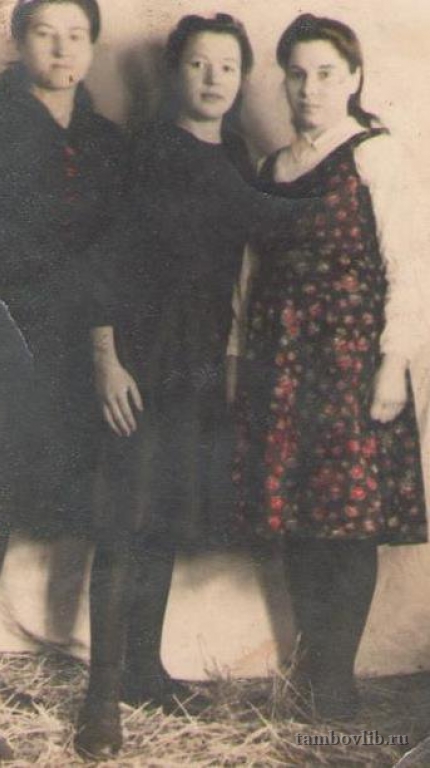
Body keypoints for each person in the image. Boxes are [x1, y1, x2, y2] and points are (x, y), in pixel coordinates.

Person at [0, 0, 125, 763]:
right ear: (19, 39)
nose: (62, 50)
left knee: (4, 506)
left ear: (93, 46)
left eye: (76, 36)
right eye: (45, 33)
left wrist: (102, 356)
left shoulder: (98, 140)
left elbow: (102, 260)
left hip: (59, 350)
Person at [75, 12, 268, 758]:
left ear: (241, 77)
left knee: (161, 516)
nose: (214, 78)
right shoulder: (145, 151)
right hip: (138, 358)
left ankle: (143, 672)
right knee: (122, 519)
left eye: (228, 65)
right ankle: (100, 699)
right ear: (174, 71)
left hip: (199, 363)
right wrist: (105, 359)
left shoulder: (239, 156)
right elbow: (100, 259)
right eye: (198, 64)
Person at [231, 13, 429, 721]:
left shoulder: (375, 154)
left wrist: (392, 366)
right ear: (284, 81)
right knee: (298, 516)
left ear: (353, 79)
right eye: (297, 75)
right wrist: (240, 359)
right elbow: (251, 276)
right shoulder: (272, 168)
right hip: (283, 367)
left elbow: (410, 267)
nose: (309, 89)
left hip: (351, 368)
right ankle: (315, 666)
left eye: (325, 74)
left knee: (348, 521)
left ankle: (336, 683)